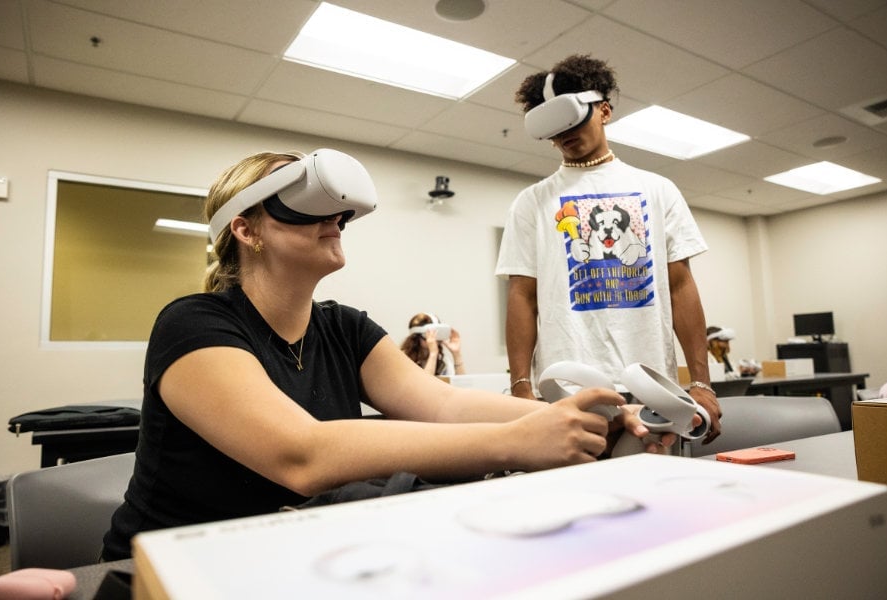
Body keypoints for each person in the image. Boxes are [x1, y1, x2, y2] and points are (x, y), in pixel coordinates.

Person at [101, 149, 679, 561]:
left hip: (296, 552)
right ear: (247, 231)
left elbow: (444, 407)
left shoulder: (345, 328)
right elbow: (300, 455)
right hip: (171, 569)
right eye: (303, 203)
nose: (334, 218)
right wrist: (516, 441)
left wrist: (584, 418)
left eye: (336, 208)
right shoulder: (194, 323)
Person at [495, 54, 721, 443]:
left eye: (572, 119)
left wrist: (701, 382)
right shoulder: (531, 203)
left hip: (653, 386)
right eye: (553, 128)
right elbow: (522, 296)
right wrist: (521, 386)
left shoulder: (658, 189)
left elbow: (681, 286)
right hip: (568, 387)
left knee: (659, 478)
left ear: (604, 110)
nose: (564, 134)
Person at [400, 313, 465, 376]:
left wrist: (456, 354)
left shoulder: (443, 361)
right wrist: (433, 354)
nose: (433, 337)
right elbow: (425, 382)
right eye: (429, 333)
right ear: (417, 336)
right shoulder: (403, 359)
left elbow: (461, 382)